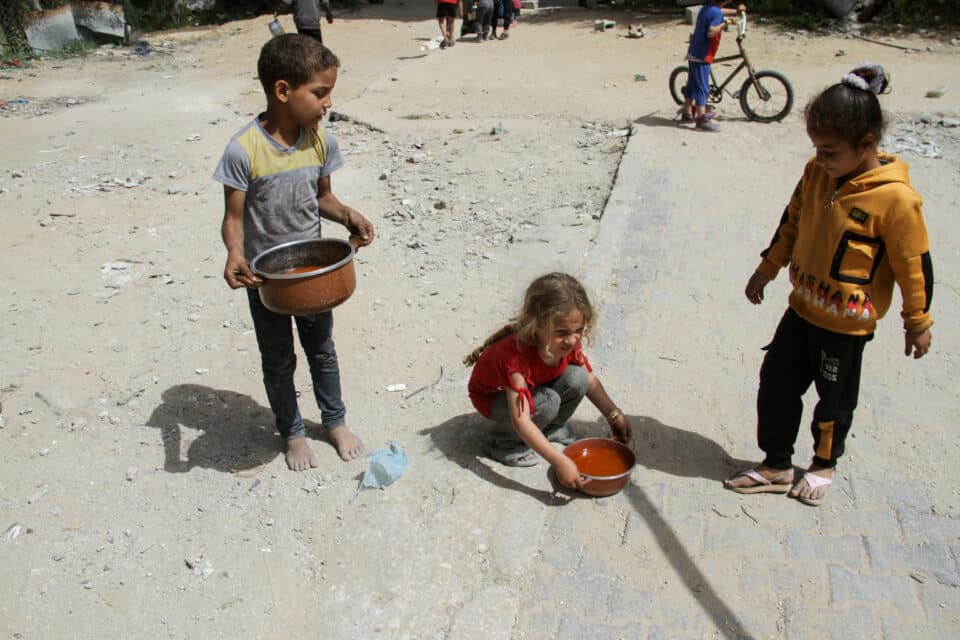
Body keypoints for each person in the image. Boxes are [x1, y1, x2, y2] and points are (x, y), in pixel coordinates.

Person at [725, 63, 934, 505]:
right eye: (816, 147)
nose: (821, 157)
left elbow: (913, 264)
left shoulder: (896, 200)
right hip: (801, 309)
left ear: (868, 144)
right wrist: (767, 269)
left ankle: (823, 464)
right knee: (776, 383)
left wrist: (917, 321)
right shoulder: (816, 173)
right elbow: (792, 222)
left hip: (845, 327)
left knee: (833, 401)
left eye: (830, 150)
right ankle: (777, 463)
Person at [213, 35, 375, 471]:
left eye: (330, 93)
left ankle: (335, 421)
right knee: (278, 357)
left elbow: (323, 197)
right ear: (283, 91)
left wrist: (347, 216)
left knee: (321, 349)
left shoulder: (320, 142)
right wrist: (234, 253)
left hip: (314, 271)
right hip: (265, 277)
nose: (327, 103)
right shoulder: (243, 150)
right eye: (320, 93)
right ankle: (292, 432)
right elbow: (233, 218)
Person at [465, 273, 633, 490]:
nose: (572, 339)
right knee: (548, 402)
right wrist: (559, 461)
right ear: (537, 325)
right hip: (493, 399)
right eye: (562, 332)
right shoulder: (517, 356)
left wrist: (615, 416)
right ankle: (503, 444)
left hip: (534, 387)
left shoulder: (566, 342)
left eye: (579, 331)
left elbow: (588, 380)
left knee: (577, 378)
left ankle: (548, 428)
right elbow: (521, 420)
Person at [680, 1, 746, 132]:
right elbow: (710, 32)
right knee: (702, 88)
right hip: (702, 55)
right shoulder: (715, 12)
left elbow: (719, 11)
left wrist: (736, 12)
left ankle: (687, 113)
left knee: (693, 85)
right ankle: (701, 120)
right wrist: (726, 23)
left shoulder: (709, 8)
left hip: (695, 51)